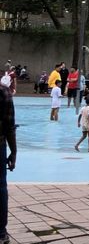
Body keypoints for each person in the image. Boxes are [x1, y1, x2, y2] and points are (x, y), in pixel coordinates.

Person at [0, 76, 16, 244]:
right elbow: (9, 127)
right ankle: (1, 233)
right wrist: (14, 153)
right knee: (0, 187)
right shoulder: (3, 92)